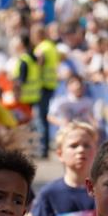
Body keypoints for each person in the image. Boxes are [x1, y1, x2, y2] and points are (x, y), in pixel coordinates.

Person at [26, 121, 98, 216]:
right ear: (60, 154)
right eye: (74, 146)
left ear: (96, 151)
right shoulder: (50, 192)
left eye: (87, 145)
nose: (81, 150)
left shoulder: (105, 191)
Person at [32, 23, 61, 157]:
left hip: (42, 86)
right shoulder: (52, 46)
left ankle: (42, 149)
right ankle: (44, 147)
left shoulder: (41, 48)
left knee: (40, 118)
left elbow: (39, 64)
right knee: (44, 117)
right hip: (51, 85)